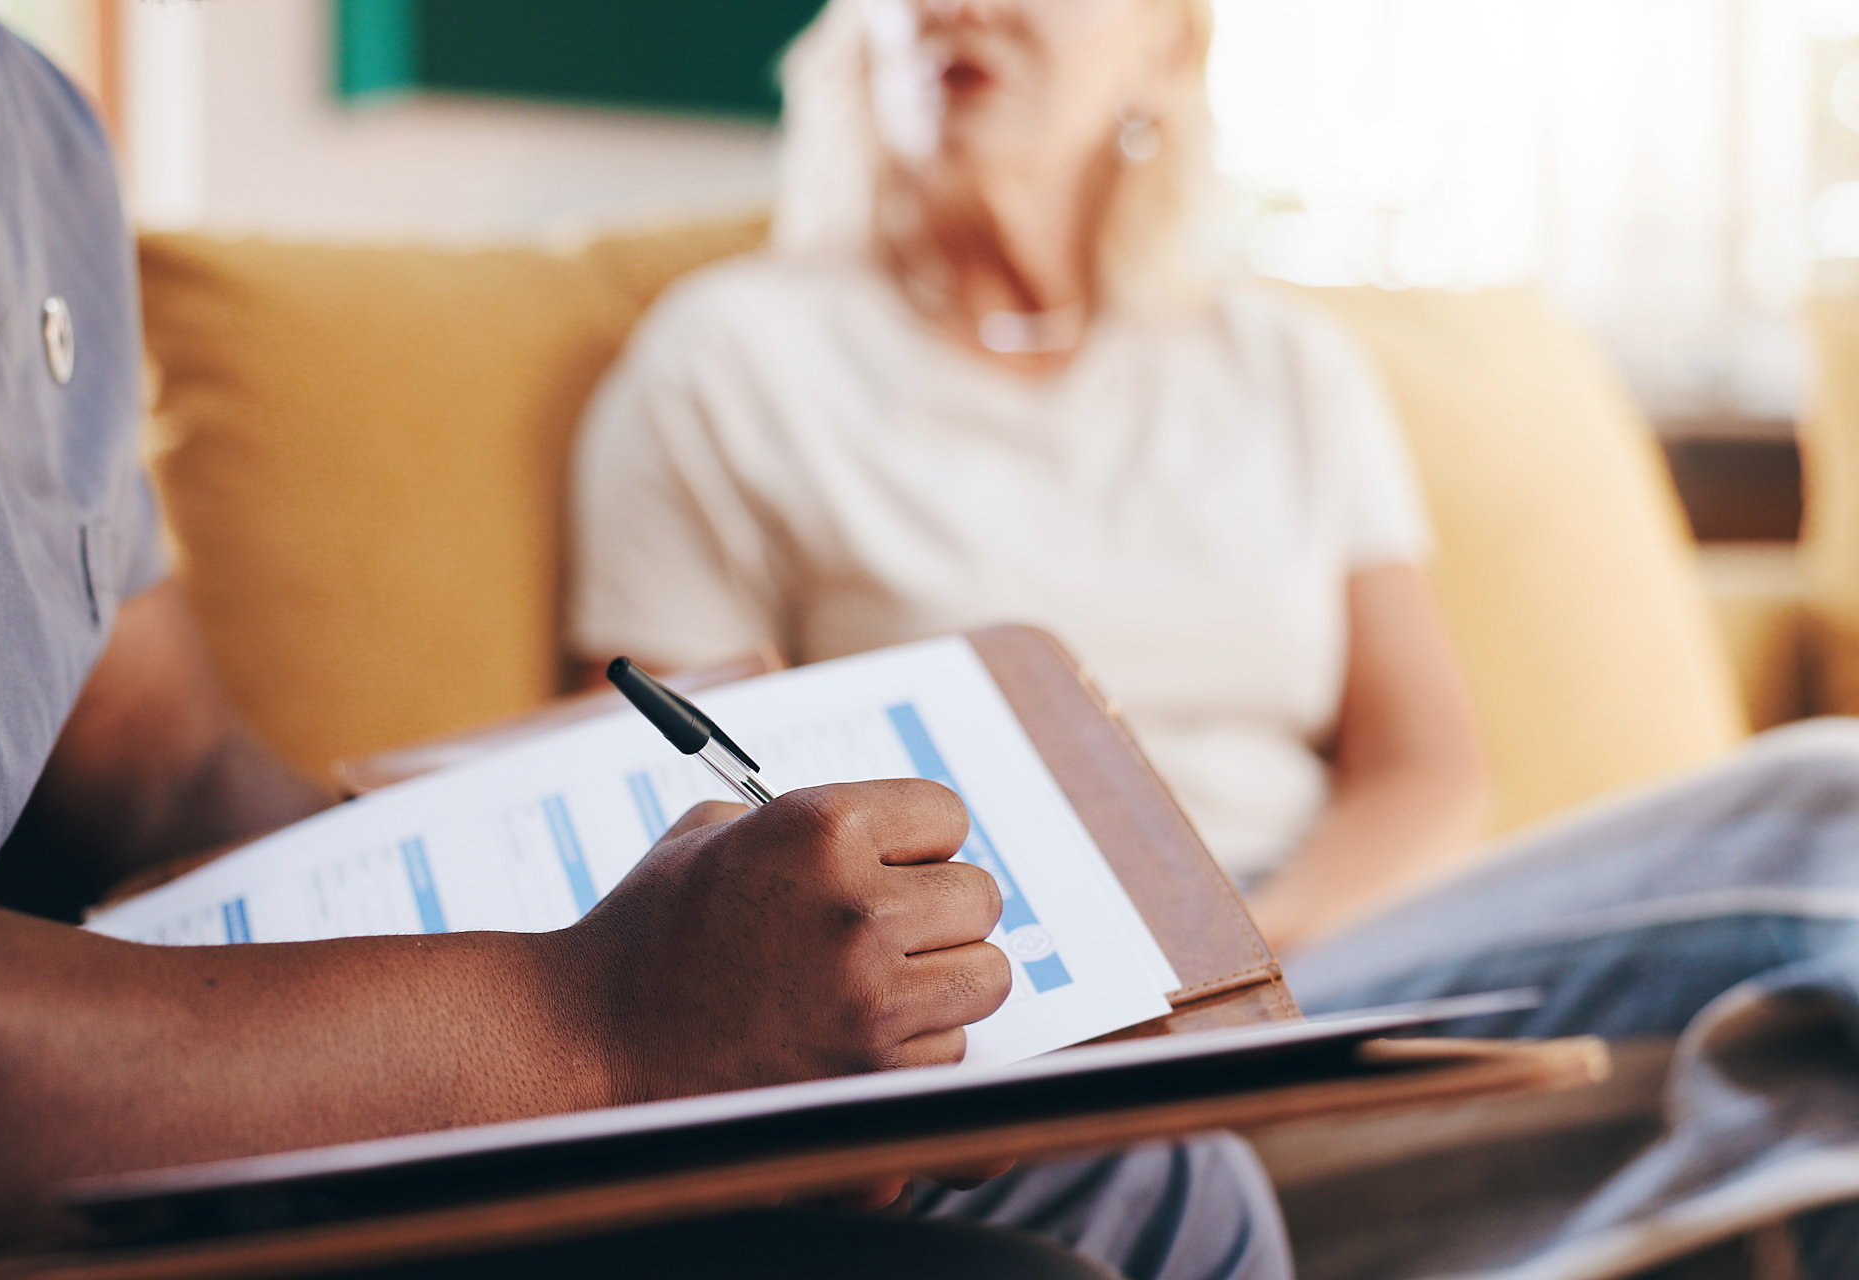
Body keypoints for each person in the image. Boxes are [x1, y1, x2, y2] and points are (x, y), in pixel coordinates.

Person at [0, 5, 1289, 1277]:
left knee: (1171, 1182)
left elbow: (166, 774)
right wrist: (600, 1012)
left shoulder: (39, 140)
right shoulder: (742, 357)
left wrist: (556, 919)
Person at [570, 0, 1859, 1274]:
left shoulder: (1287, 368)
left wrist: (1253, 953)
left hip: (1324, 949)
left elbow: (1424, 763)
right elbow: (672, 834)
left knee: (1828, 857)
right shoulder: (727, 362)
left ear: (1165, 45)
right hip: (1025, 1019)